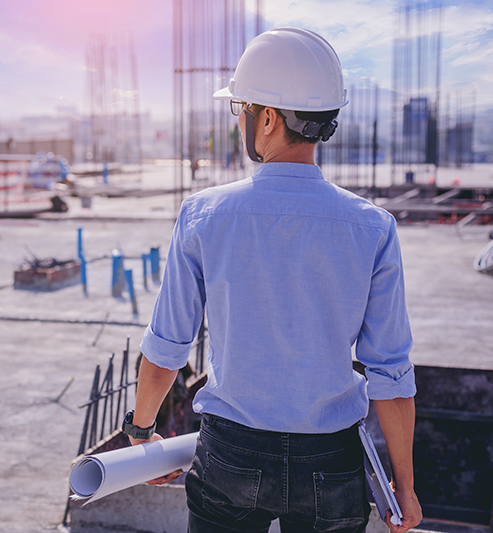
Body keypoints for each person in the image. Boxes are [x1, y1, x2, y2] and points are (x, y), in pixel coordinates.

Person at [121, 28, 422, 533]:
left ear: (266, 119)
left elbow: (168, 345)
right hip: (332, 459)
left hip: (232, 453)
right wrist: (404, 487)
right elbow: (389, 372)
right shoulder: (372, 227)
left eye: (240, 107)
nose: (238, 119)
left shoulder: (204, 215)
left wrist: (141, 429)